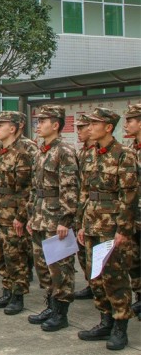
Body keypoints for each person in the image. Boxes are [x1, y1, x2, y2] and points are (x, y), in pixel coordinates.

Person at [77, 108, 137, 350]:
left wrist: (123, 230)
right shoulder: (89, 154)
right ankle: (105, 321)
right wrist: (81, 223)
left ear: (108, 127)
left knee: (115, 278)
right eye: (88, 123)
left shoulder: (124, 155)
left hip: (111, 227)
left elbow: (129, 195)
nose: (89, 127)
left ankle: (120, 326)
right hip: (91, 224)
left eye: (94, 123)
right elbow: (84, 191)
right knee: (95, 276)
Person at [26, 105, 79, 332]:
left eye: (43, 121)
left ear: (55, 124)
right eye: (38, 121)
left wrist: (65, 220)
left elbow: (70, 188)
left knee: (60, 268)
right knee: (43, 266)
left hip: (56, 218)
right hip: (39, 216)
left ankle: (61, 312)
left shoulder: (64, 151)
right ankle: (50, 304)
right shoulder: (41, 151)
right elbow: (35, 187)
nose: (38, 125)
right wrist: (30, 215)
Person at [0, 111, 35, 315]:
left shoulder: (23, 151)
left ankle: (18, 295)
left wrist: (21, 217)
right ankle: (7, 290)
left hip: (13, 214)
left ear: (13, 128)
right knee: (1, 256)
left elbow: (25, 189)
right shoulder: (1, 150)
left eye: (1, 124)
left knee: (16, 257)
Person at [74, 114, 96, 300]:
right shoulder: (81, 153)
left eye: (82, 127)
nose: (78, 131)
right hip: (80, 209)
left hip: (95, 211)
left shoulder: (98, 152)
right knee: (82, 253)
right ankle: (91, 284)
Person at [123, 103, 141, 320]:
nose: (126, 124)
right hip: (134, 215)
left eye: (130, 120)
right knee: (133, 259)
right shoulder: (130, 150)